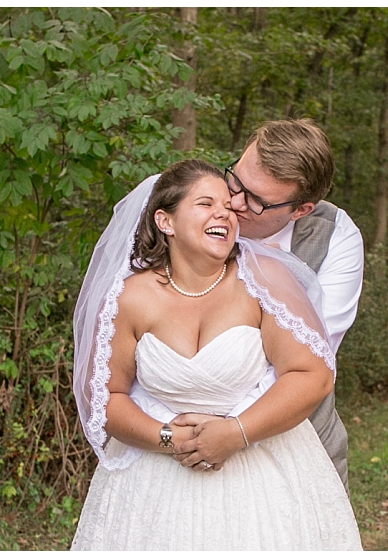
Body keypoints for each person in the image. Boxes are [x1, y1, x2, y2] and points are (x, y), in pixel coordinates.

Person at [71, 160, 361, 550]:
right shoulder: (129, 298)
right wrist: (169, 439)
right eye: (206, 203)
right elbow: (106, 397)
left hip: (263, 479)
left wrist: (235, 433)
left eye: (228, 205)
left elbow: (312, 375)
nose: (224, 211)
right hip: (151, 486)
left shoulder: (265, 281)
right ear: (165, 221)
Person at [129, 119, 363, 489]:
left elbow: (310, 356)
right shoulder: (183, 216)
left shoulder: (336, 237)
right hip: (167, 452)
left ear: (300, 209)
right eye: (235, 180)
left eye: (255, 200)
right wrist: (172, 429)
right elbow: (139, 339)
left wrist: (229, 430)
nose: (234, 203)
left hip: (292, 448)